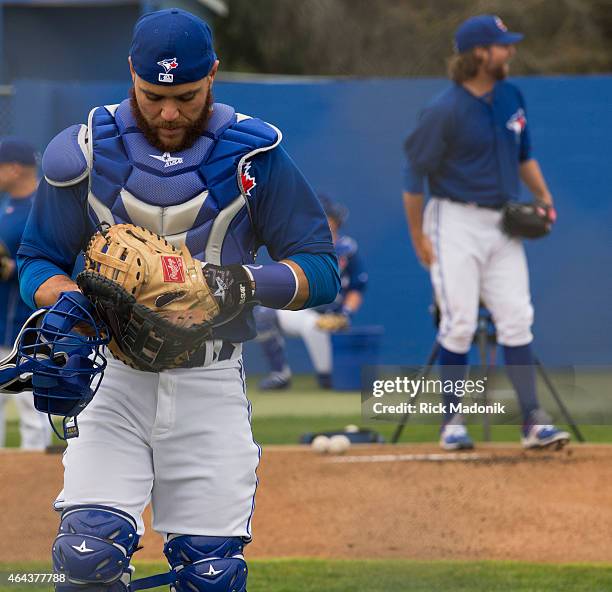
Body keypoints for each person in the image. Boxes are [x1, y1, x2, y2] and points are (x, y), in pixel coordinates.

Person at [16, 9, 339, 591]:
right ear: (131, 75)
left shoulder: (253, 156)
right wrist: (69, 301)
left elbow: (319, 270)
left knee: (211, 577)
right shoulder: (85, 153)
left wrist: (233, 284)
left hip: (208, 383)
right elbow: (36, 258)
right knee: (87, 559)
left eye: (186, 96)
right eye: (153, 95)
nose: (169, 112)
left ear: (213, 74)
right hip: (111, 381)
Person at [402, 15, 570, 451]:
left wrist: (545, 197)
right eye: (502, 45)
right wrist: (418, 235)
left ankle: (532, 421)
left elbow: (524, 155)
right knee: (458, 322)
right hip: (453, 221)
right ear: (480, 53)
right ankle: (452, 423)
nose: (510, 50)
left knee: (517, 318)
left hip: (503, 222)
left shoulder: (512, 96)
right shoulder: (444, 109)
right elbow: (413, 175)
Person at [254, 196, 367, 389]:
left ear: (335, 220)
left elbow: (356, 288)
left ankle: (328, 376)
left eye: (325, 217)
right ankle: (280, 373)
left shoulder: (346, 248)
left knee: (317, 331)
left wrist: (345, 315)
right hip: (305, 310)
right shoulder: (300, 246)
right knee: (264, 315)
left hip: (332, 315)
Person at [0, 137, 51, 450]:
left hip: (31, 326)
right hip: (0, 323)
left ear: (15, 168)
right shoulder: (5, 206)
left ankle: (33, 493)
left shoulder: (45, 207)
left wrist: (11, 268)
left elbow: (60, 258)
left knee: (33, 411)